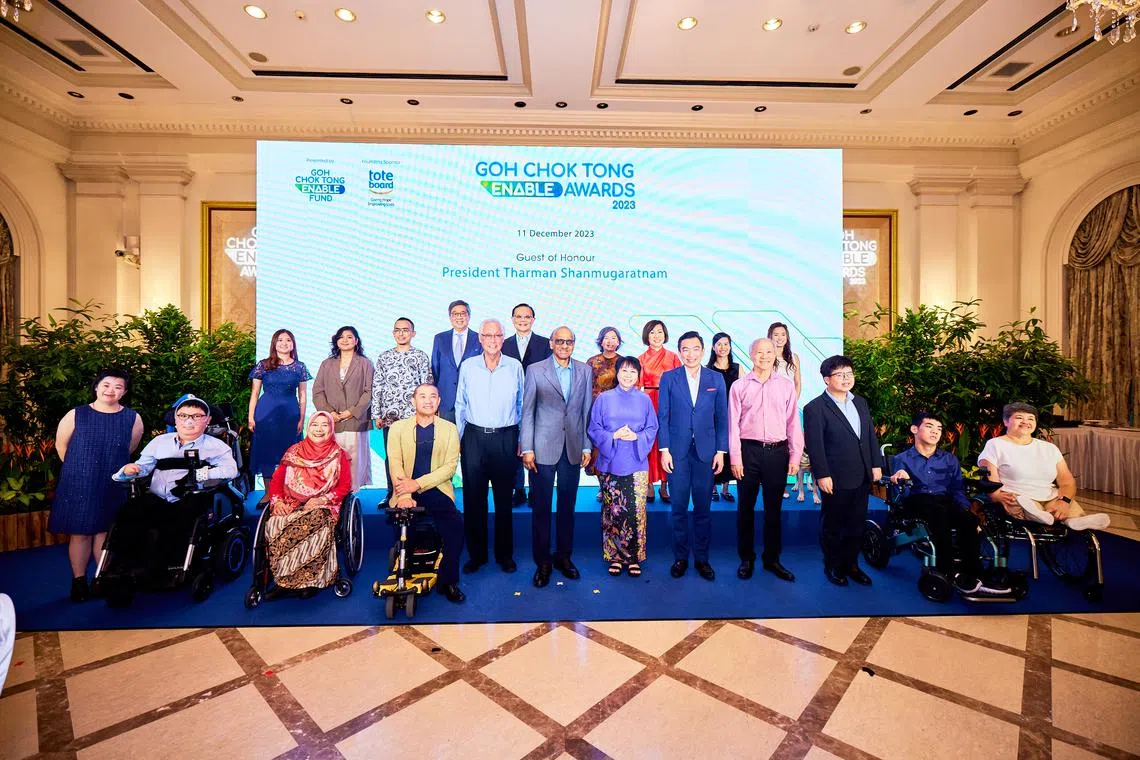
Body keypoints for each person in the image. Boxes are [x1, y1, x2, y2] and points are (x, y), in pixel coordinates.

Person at [112, 396, 239, 578]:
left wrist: (204, 474)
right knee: (129, 512)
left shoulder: (216, 446)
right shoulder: (159, 442)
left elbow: (231, 470)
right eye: (183, 416)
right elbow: (144, 466)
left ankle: (164, 567)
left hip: (191, 497)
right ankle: (125, 566)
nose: (188, 421)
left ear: (207, 420)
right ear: (175, 419)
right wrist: (129, 470)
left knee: (179, 518)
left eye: (196, 416)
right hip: (157, 498)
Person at [891, 412, 1011, 597]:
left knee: (967, 519)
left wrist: (966, 510)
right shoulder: (902, 459)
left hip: (943, 500)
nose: (935, 432)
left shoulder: (949, 459)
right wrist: (901, 479)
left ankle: (973, 573)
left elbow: (957, 489)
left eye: (939, 429)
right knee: (937, 512)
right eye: (929, 426)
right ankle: (947, 569)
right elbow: (900, 495)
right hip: (916, 499)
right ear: (915, 429)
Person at [49, 369, 145, 602]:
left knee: (105, 531)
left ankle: (101, 578)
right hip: (79, 480)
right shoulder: (76, 414)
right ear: (96, 387)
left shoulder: (133, 417)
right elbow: (62, 446)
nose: (111, 390)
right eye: (106, 384)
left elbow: (130, 448)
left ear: (125, 392)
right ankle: (79, 581)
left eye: (118, 387)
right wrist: (81, 468)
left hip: (112, 481)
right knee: (80, 532)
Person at [520, 326, 592, 588]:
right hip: (541, 449)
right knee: (541, 509)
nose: (564, 345)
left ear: (574, 344)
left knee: (566, 509)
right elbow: (527, 411)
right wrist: (526, 447)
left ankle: (564, 558)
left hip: (572, 448)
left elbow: (586, 412)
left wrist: (586, 446)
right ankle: (543, 563)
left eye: (569, 341)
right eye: (559, 341)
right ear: (551, 343)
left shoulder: (585, 370)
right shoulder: (536, 370)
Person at [802, 355, 884, 587]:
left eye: (849, 373)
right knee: (833, 525)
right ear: (827, 379)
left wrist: (876, 464)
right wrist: (822, 474)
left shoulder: (860, 402)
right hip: (835, 477)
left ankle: (852, 565)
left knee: (856, 523)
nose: (847, 378)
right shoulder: (815, 408)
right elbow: (815, 445)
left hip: (862, 474)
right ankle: (833, 566)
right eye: (840, 374)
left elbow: (869, 436)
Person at [455, 318, 525, 573]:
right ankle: (477, 555)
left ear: (503, 339)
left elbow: (522, 404)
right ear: (480, 339)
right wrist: (461, 440)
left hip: (506, 438)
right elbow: (460, 403)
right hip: (473, 437)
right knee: (474, 499)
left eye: (497, 336)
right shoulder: (468, 366)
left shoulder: (515, 366)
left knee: (504, 500)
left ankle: (505, 555)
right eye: (488, 335)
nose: (493, 340)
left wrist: (521, 439)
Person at [729, 338, 802, 582]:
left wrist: (795, 454)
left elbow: (793, 423)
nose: (764, 356)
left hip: (777, 453)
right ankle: (746, 558)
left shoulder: (785, 386)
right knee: (745, 509)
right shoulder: (739, 386)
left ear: (775, 355)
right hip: (748, 452)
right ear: (751, 355)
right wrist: (736, 459)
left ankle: (772, 559)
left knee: (774, 509)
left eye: (769, 352)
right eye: (759, 352)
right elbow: (732, 426)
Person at [658, 331, 729, 581]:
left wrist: (721, 451)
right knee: (678, 507)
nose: (690, 354)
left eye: (695, 348)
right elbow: (663, 416)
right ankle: (680, 558)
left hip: (706, 453)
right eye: (685, 349)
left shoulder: (716, 378)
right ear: (679, 352)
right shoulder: (669, 378)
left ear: (702, 350)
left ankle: (702, 558)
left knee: (703, 508)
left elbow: (722, 417)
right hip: (676, 453)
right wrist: (663, 449)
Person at [387, 384, 467, 603]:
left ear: (439, 401)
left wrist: (418, 484)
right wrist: (404, 493)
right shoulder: (397, 428)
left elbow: (449, 468)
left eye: (433, 396)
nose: (428, 401)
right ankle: (405, 575)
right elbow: (394, 462)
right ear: (413, 401)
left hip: (436, 489)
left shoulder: (449, 428)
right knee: (404, 524)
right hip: (404, 490)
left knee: (455, 527)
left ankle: (448, 581)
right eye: (422, 396)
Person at [978, 402, 1110, 531]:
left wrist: (1064, 501)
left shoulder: (1049, 448)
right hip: (1017, 495)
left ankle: (1071, 520)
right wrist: (996, 496)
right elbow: (989, 478)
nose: (1025, 422)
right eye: (1019, 418)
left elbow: (1067, 481)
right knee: (1026, 505)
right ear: (1006, 421)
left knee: (1062, 504)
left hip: (1049, 496)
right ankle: (1054, 518)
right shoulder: (995, 444)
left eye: (1031, 419)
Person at [264, 411, 351, 591]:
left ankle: (311, 580)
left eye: (324, 425)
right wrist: (277, 502)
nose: (319, 429)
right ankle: (284, 578)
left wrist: (321, 500)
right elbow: (277, 481)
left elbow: (345, 486)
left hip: (323, 505)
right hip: (291, 502)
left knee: (316, 520)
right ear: (307, 427)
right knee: (274, 523)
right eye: (314, 425)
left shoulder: (338, 454)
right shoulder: (293, 451)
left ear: (331, 429)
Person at [588, 356, 659, 576]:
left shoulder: (645, 400)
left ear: (638, 375)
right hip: (610, 461)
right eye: (624, 371)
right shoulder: (604, 399)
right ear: (616, 373)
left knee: (636, 511)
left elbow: (652, 428)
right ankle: (615, 556)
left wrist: (636, 437)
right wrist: (613, 435)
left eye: (633, 372)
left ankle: (634, 557)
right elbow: (594, 428)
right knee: (613, 511)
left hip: (636, 462)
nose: (628, 375)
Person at [372, 317, 433, 505]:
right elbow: (377, 385)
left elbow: (427, 385)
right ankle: (393, 493)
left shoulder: (421, 356)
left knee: (417, 454)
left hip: (415, 417)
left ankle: (417, 493)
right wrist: (377, 414)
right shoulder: (384, 357)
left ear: (413, 333)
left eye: (405, 330)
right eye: (397, 330)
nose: (401, 333)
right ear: (393, 333)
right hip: (390, 416)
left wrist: (428, 412)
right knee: (392, 456)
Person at [248, 329, 311, 504]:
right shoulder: (263, 365)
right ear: (274, 343)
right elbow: (254, 393)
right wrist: (251, 418)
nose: (284, 343)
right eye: (280, 340)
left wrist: (301, 418)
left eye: (288, 340)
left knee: (290, 454)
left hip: (290, 415)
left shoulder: (300, 367)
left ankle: (288, 492)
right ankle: (268, 493)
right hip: (265, 414)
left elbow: (303, 396)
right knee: (266, 454)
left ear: (293, 344)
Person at [312, 326, 375, 491]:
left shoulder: (365, 363)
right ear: (336, 341)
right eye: (341, 337)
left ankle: (350, 495)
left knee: (354, 459)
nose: (345, 340)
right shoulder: (327, 364)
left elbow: (369, 391)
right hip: (332, 421)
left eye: (349, 337)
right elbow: (317, 391)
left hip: (355, 419)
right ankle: (331, 494)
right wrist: (329, 413)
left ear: (356, 341)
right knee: (332, 459)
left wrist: (352, 411)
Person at [503, 303, 552, 507]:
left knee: (535, 446)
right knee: (514, 446)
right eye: (518, 317)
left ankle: (535, 490)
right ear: (513, 319)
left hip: (538, 402)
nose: (522, 320)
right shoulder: (503, 344)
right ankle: (518, 489)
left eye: (527, 317)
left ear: (533, 319)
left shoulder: (544, 343)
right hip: (510, 403)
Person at [638, 319, 681, 503]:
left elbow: (681, 383)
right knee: (650, 442)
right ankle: (648, 483)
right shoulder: (640, 358)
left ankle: (665, 483)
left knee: (667, 441)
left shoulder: (673, 357)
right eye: (653, 332)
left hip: (670, 401)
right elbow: (637, 385)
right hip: (648, 401)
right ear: (647, 335)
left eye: (660, 332)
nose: (657, 336)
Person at [707, 332, 745, 502]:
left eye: (726, 344)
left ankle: (726, 488)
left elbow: (746, 393)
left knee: (732, 449)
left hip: (735, 415)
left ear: (730, 347)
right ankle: (713, 487)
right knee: (714, 450)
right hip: (713, 416)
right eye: (719, 344)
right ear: (713, 347)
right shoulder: (707, 370)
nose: (723, 347)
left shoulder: (738, 368)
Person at [430, 300, 482, 423]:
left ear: (469, 316)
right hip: (446, 401)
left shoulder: (479, 338)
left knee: (469, 440)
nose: (459, 317)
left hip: (472, 400)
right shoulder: (440, 338)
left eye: (463, 313)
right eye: (455, 314)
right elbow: (435, 369)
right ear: (450, 317)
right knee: (447, 440)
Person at [768, 322, 802, 399]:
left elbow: (797, 383)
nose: (780, 338)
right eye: (776, 335)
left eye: (783, 335)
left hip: (789, 401)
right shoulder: (766, 357)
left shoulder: (794, 357)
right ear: (770, 337)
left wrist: (793, 402)